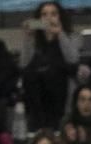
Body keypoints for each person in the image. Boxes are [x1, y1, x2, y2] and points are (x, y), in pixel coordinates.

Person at [20, 1, 82, 132]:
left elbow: (73, 59)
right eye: (44, 14)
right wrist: (27, 38)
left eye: (53, 14)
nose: (49, 18)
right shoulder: (35, 39)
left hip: (61, 89)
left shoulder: (71, 36)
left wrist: (60, 34)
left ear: (60, 17)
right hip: (38, 93)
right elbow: (24, 63)